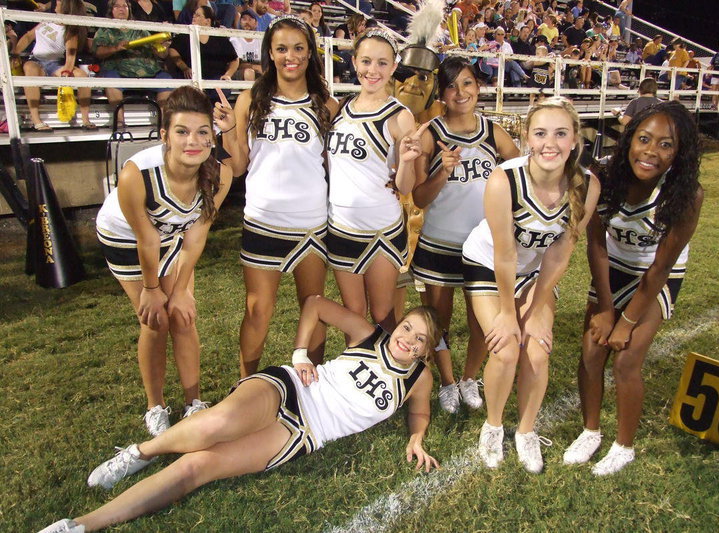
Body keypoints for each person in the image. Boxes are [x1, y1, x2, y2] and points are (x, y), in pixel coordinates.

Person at [37, 296, 441, 533]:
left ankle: (79, 526)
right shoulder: (369, 336)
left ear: (426, 351)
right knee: (218, 423)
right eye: (407, 328)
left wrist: (416, 438)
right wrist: (301, 353)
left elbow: (419, 412)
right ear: (398, 326)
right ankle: (142, 451)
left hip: (305, 432)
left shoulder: (418, 380)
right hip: (292, 387)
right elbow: (316, 304)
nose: (408, 340)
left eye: (420, 339)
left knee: (199, 468)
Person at [563, 100, 703, 476]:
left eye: (665, 145)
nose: (651, 152)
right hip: (614, 270)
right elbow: (596, 244)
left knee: (626, 359)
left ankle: (624, 446)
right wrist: (607, 309)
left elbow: (660, 267)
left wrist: (626, 321)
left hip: (655, 277)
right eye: (644, 139)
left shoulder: (687, 194)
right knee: (592, 351)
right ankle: (591, 430)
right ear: (629, 140)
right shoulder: (602, 177)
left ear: (680, 152)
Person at [461, 97, 600, 472]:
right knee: (506, 348)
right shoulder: (503, 179)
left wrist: (537, 310)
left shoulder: (587, 185)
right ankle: (492, 426)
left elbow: (559, 253)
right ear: (526, 137)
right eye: (540, 133)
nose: (549, 143)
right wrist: (509, 313)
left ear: (575, 140)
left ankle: (525, 431)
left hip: (535, 272)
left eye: (560, 133)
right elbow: (504, 255)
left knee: (537, 351)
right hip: (488, 265)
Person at [94, 87, 233, 437]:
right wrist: (153, 289)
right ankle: (154, 406)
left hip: (171, 233)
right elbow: (147, 239)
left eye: (203, 132)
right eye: (182, 132)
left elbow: (196, 236)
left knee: (183, 316)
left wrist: (183, 289)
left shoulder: (221, 174)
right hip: (125, 237)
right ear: (164, 136)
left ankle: (194, 403)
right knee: (156, 320)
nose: (194, 141)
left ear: (213, 137)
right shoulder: (136, 174)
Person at [214, 14, 338, 377]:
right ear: (270, 52)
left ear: (310, 53)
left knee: (312, 307)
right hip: (263, 221)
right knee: (257, 310)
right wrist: (226, 131)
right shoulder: (249, 99)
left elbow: (332, 164)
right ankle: (246, 383)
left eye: (299, 48)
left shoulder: (325, 104)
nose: (291, 56)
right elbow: (237, 167)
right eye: (282, 48)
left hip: (311, 223)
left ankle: (313, 388)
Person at [411, 56, 519, 414]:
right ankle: (446, 381)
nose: (461, 92)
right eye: (452, 85)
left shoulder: (492, 133)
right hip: (439, 242)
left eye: (468, 83)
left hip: (482, 247)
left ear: (478, 87)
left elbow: (520, 177)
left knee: (480, 321)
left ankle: (470, 377)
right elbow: (419, 198)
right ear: (441, 92)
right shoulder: (431, 134)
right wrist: (441, 172)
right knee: (438, 320)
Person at [325, 29, 425, 337]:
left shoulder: (399, 115)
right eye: (366, 61)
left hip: (381, 228)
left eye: (382, 63)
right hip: (340, 226)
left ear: (394, 67)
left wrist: (407, 160)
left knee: (383, 315)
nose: (373, 70)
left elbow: (406, 187)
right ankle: (356, 381)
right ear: (354, 62)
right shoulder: (340, 109)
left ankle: (393, 378)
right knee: (353, 317)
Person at [14, 0, 95, 131]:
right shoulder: (48, 20)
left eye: (60, 1)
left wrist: (67, 73)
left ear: (67, 6)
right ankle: (36, 120)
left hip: (55, 64)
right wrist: (14, 54)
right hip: (36, 60)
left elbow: (70, 55)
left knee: (83, 76)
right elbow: (29, 36)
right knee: (30, 68)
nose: (56, 2)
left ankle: (85, 119)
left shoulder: (70, 30)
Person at [92, 0, 173, 125]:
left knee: (167, 80)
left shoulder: (140, 29)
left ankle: (162, 123)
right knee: (110, 79)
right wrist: (115, 48)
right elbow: (98, 52)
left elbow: (161, 55)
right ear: (111, 10)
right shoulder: (105, 29)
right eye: (117, 6)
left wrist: (165, 47)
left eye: (125, 6)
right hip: (120, 70)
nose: (121, 9)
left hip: (148, 71)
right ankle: (120, 121)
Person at [169, 5, 239, 101]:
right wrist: (184, 67)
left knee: (221, 90)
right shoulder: (185, 35)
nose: (194, 17)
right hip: (192, 78)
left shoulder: (219, 38)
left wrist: (228, 75)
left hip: (214, 79)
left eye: (198, 15)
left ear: (207, 21)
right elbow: (173, 50)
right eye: (194, 15)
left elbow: (234, 60)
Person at [229, 8, 262, 81]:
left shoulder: (260, 39)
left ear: (256, 23)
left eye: (250, 20)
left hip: (258, 70)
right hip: (238, 71)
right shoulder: (235, 39)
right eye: (244, 19)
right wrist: (255, 67)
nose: (247, 22)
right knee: (249, 72)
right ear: (240, 22)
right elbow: (238, 65)